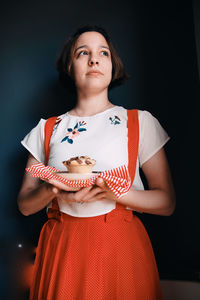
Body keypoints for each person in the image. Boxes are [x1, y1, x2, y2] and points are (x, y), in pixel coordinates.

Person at [17, 24, 176, 300]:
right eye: (83, 52)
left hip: (120, 248)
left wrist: (121, 194)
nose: (94, 59)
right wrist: (52, 189)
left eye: (103, 52)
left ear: (113, 66)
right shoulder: (46, 129)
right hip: (62, 248)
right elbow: (24, 206)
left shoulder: (139, 122)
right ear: (69, 66)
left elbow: (167, 202)